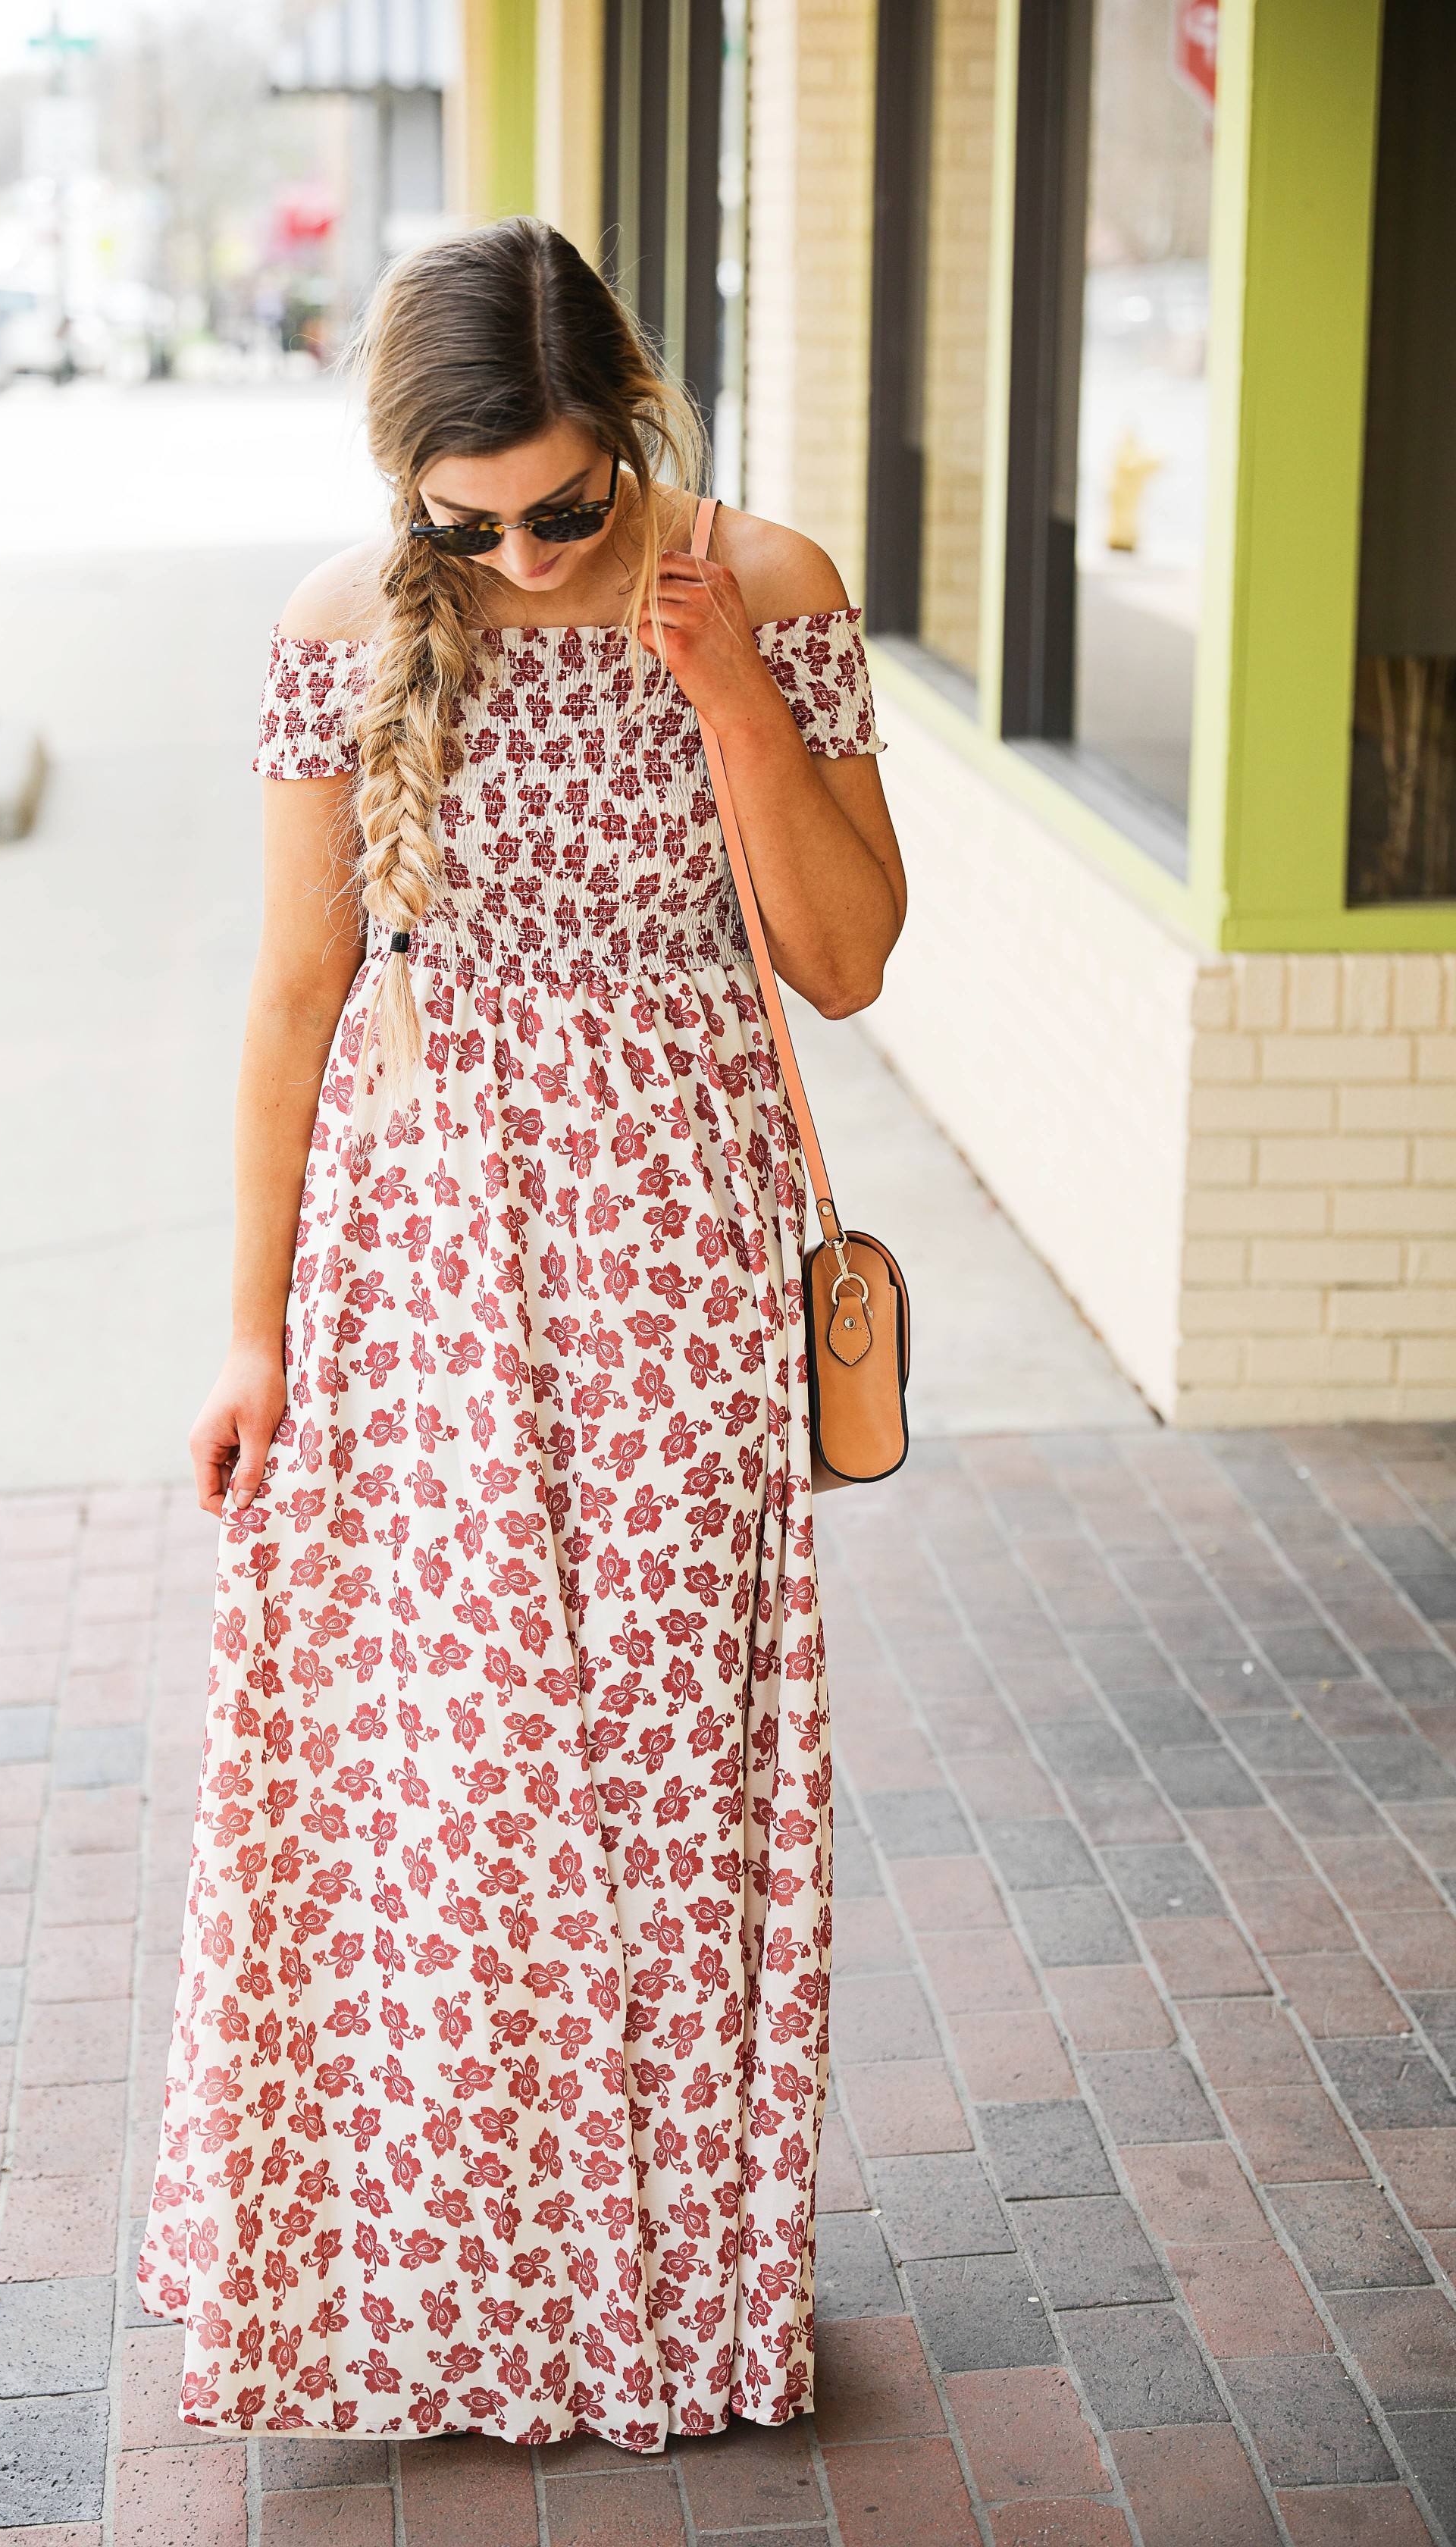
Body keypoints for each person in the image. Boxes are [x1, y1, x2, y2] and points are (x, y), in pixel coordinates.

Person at [139, 216, 905, 2453]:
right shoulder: (340, 627)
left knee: (676, 1786)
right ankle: (469, 2296)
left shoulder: (763, 585)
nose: (522, 557)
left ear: (637, 435)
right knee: (443, 1796)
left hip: (676, 1266)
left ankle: (665, 2298)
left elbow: (847, 960)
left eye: (563, 507)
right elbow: (296, 994)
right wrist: (251, 1333)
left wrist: (726, 696)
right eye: (463, 523)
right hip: (421, 1278)